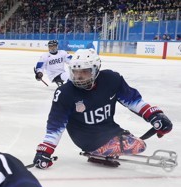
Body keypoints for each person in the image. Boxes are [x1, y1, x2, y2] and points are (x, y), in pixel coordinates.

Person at [33, 48, 173, 169]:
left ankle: (105, 146)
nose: (79, 76)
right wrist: (45, 150)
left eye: (84, 72)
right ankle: (96, 149)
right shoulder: (65, 92)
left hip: (109, 129)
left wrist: (154, 115)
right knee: (139, 145)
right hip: (86, 137)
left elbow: (133, 101)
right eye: (75, 72)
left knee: (135, 142)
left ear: (95, 69)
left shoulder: (112, 79)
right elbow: (56, 125)